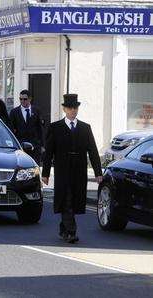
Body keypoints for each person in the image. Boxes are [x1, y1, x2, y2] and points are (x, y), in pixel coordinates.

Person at [42, 94, 103, 244]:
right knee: (66, 198)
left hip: (79, 170)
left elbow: (93, 151)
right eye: (70, 108)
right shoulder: (55, 127)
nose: (73, 110)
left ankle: (64, 228)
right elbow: (49, 151)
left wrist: (98, 173)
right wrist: (45, 173)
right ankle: (71, 232)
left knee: (74, 201)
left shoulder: (85, 128)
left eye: (75, 108)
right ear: (64, 109)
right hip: (63, 170)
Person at [9, 90, 44, 164]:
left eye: (25, 99)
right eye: (20, 99)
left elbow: (40, 129)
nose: (22, 101)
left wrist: (42, 145)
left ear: (30, 99)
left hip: (35, 146)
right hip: (21, 145)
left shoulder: (37, 111)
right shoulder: (14, 112)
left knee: (35, 167)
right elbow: (11, 129)